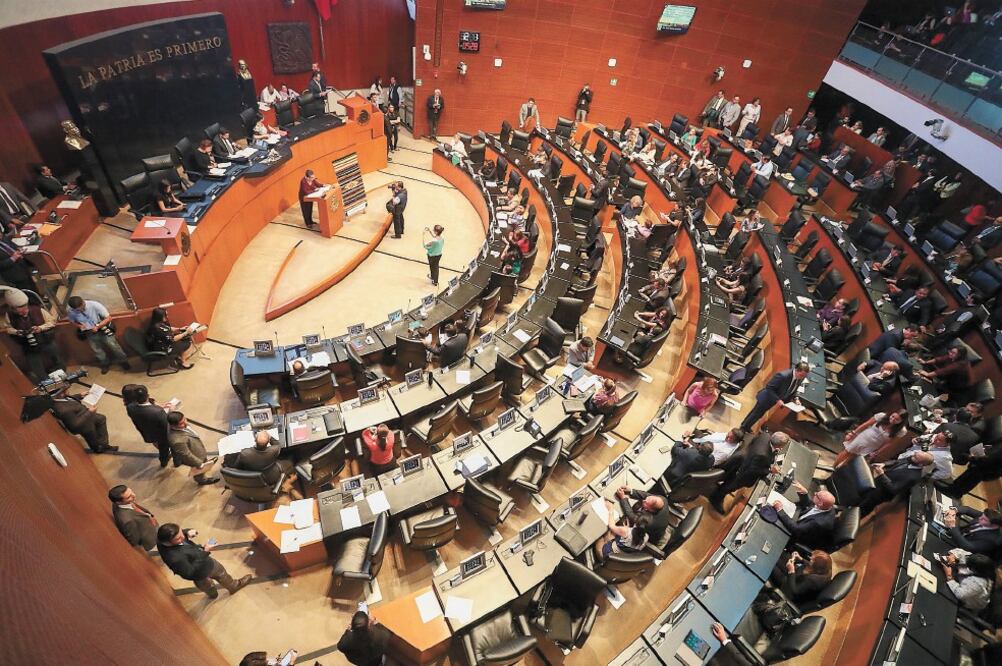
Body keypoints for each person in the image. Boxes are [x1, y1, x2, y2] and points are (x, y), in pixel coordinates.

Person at [157, 523, 250, 599]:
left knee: (205, 585)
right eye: (178, 538)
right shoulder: (175, 559)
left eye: (181, 533)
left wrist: (187, 532)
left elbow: (178, 534)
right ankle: (233, 586)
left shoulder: (161, 539)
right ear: (168, 542)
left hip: (198, 571)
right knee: (221, 574)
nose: (182, 537)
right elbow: (189, 573)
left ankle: (212, 594)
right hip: (203, 567)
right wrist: (205, 552)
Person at [709, 431, 790, 514]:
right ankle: (715, 498)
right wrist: (770, 470)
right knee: (730, 486)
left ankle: (718, 493)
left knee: (729, 482)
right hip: (743, 473)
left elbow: (753, 441)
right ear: (778, 445)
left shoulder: (765, 435)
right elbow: (753, 470)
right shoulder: (763, 455)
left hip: (745, 458)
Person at [2, 288, 61, 381]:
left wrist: (40, 328)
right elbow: (8, 328)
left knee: (57, 358)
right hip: (27, 345)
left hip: (45, 340)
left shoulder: (37, 310)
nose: (24, 312)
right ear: (13, 309)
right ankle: (46, 382)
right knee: (36, 365)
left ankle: (61, 374)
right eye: (20, 312)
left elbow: (52, 322)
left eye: (25, 309)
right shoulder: (9, 315)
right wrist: (17, 332)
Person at [66, 295, 130, 374]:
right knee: (97, 350)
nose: (81, 310)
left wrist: (97, 326)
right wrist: (80, 326)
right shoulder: (71, 311)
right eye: (77, 310)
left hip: (102, 329)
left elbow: (109, 318)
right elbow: (72, 321)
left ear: (83, 302)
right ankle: (105, 364)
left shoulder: (94, 305)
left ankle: (124, 361)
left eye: (82, 308)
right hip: (89, 332)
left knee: (114, 346)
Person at [739, 362, 809, 432]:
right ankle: (742, 429)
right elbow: (769, 388)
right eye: (801, 375)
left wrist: (796, 398)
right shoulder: (783, 375)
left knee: (758, 414)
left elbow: (795, 388)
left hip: (773, 400)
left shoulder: (800, 378)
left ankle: (746, 426)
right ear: (796, 370)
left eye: (804, 376)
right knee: (756, 414)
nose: (802, 377)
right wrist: (778, 400)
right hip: (766, 398)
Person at [51, 385, 117, 453]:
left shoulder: (59, 399)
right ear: (61, 394)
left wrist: (80, 395)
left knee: (101, 418)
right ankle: (98, 448)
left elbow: (68, 401)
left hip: (83, 414)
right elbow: (75, 426)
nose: (68, 390)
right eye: (66, 390)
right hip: (82, 424)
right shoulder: (63, 410)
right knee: (91, 432)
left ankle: (103, 445)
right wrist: (90, 412)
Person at [235, 431, 300, 496]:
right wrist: (270, 437)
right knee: (290, 459)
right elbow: (278, 445)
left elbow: (237, 466)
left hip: (253, 480)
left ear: (255, 440)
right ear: (268, 442)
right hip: (272, 477)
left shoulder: (244, 454)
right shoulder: (273, 450)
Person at [773, 482, 836, 550]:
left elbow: (796, 529)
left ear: (820, 503)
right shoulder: (828, 507)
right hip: (800, 521)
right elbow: (811, 505)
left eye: (817, 495)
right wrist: (804, 493)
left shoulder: (818, 522)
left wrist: (780, 510)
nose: (814, 493)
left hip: (799, 535)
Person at [835, 410, 907, 467]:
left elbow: (889, 443)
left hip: (874, 445)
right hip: (864, 437)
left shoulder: (901, 430)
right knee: (848, 451)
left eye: (897, 419)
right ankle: (833, 466)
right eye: (893, 416)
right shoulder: (882, 416)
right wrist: (852, 433)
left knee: (854, 456)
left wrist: (877, 452)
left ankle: (839, 469)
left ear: (901, 422)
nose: (893, 419)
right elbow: (866, 424)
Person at [125, 384, 172, 468]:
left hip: (146, 431)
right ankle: (164, 460)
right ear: (148, 396)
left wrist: (155, 405)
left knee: (155, 442)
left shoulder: (130, 407)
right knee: (163, 448)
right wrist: (171, 412)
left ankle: (163, 460)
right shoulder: (158, 412)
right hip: (160, 433)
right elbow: (167, 424)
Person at [166, 410, 219, 485]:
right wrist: (199, 464)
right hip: (195, 457)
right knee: (198, 471)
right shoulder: (177, 440)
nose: (186, 423)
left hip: (195, 447)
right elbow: (186, 455)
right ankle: (202, 480)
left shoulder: (175, 423)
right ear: (172, 426)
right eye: (181, 423)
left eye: (185, 419)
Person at [108, 485, 158, 553]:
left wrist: (150, 516)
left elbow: (135, 507)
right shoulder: (127, 521)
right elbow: (134, 540)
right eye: (129, 497)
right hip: (151, 540)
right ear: (119, 502)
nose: (134, 495)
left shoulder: (121, 503)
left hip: (151, 526)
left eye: (131, 492)